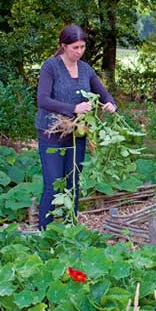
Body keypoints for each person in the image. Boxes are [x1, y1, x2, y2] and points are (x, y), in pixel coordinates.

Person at [35, 24, 117, 230]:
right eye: (75, 48)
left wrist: (110, 104)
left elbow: (103, 93)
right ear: (64, 46)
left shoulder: (86, 69)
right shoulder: (50, 67)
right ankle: (44, 232)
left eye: (82, 47)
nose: (79, 52)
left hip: (76, 134)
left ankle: (70, 229)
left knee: (73, 184)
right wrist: (74, 108)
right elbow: (42, 100)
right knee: (54, 185)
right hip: (51, 133)